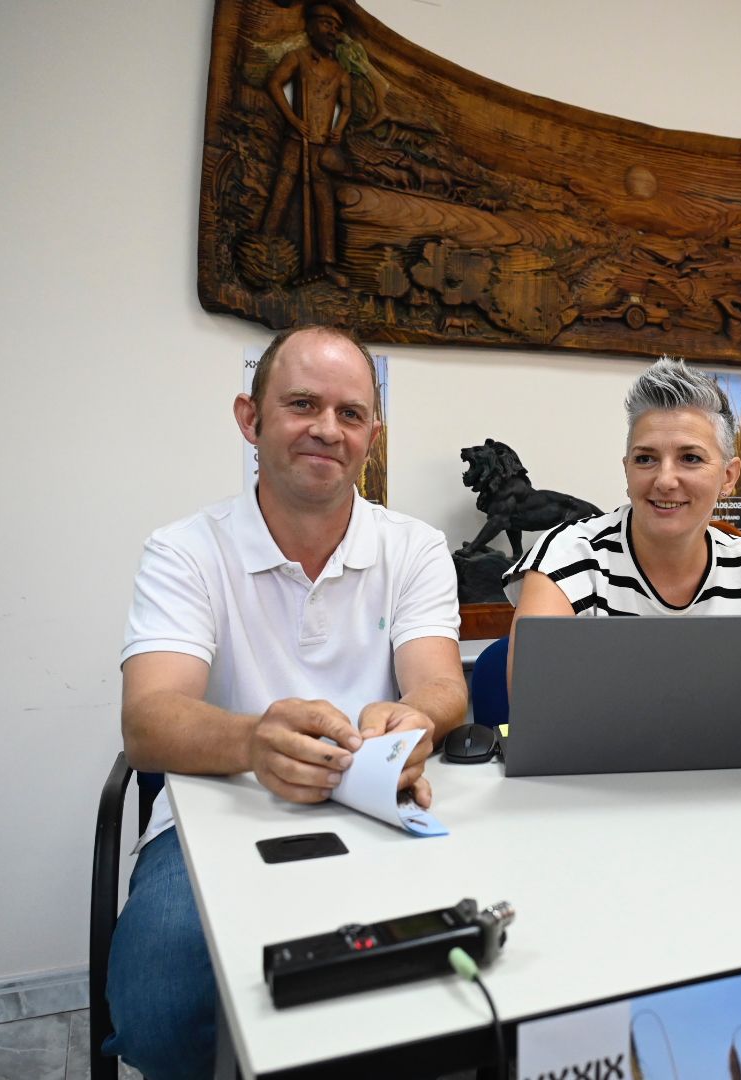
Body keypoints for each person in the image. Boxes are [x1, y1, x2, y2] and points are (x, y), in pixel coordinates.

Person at [105, 325, 467, 1079]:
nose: (327, 430)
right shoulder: (184, 550)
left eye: (350, 413)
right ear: (251, 418)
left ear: (371, 433)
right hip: (216, 815)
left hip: (378, 807)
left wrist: (414, 718)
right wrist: (254, 743)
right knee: (161, 1012)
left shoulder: (416, 547)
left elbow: (439, 683)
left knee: (464, 988)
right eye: (302, 404)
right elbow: (148, 721)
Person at [504, 357, 741, 708]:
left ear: (728, 477)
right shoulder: (568, 557)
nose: (664, 480)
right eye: (645, 459)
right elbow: (536, 697)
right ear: (626, 470)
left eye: (690, 458)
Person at [260, 3, 353, 286]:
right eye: (326, 24)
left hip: (320, 147)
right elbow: (274, 83)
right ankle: (263, 246)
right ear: (311, 26)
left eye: (336, 27)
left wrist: (337, 129)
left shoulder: (340, 73)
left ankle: (325, 264)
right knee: (283, 189)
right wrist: (293, 119)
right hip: (296, 140)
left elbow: (347, 107)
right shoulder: (297, 58)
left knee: (324, 202)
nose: (331, 31)